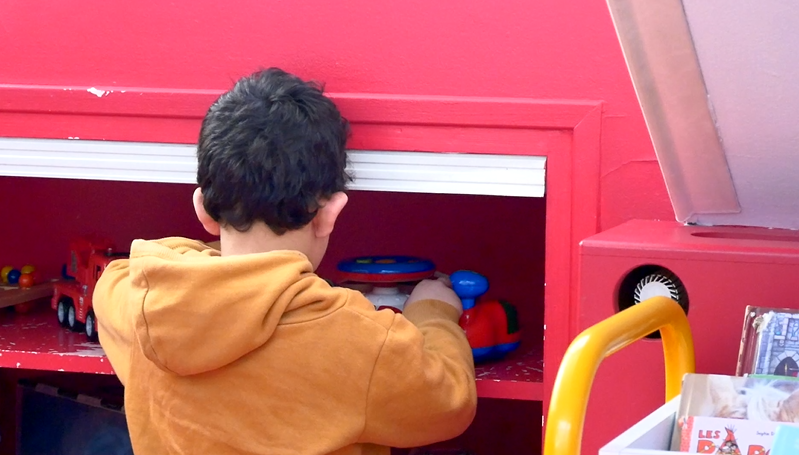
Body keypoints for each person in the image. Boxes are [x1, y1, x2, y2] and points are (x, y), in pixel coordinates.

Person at [93, 67, 477, 455]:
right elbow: (451, 402)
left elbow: (117, 277)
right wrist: (432, 312)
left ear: (203, 210)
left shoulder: (139, 303)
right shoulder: (357, 342)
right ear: (330, 214)